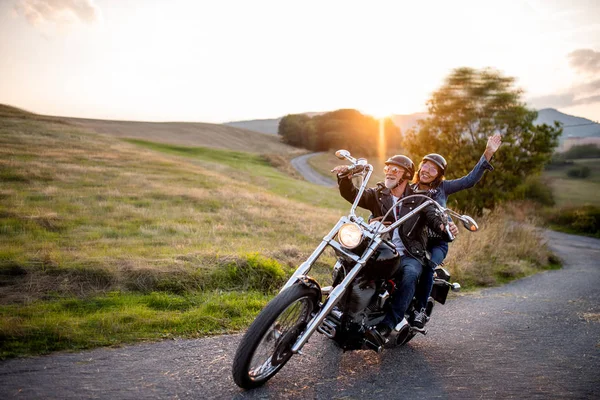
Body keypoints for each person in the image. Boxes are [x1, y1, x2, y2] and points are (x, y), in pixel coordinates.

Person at [332, 154, 452, 345]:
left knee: (411, 273)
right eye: (388, 168)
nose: (389, 172)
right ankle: (340, 305)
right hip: (380, 249)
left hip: (407, 253)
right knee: (347, 258)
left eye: (396, 169)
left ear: (406, 175)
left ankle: (387, 325)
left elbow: (434, 217)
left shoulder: (421, 199)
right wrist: (344, 179)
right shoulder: (380, 193)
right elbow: (354, 195)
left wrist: (444, 227)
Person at [411, 133, 502, 330]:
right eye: (425, 165)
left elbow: (469, 180)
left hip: (436, 242)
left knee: (428, 265)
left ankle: (420, 310)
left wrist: (487, 153)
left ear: (439, 174)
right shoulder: (409, 189)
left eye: (433, 168)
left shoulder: (443, 188)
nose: (427, 170)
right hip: (412, 240)